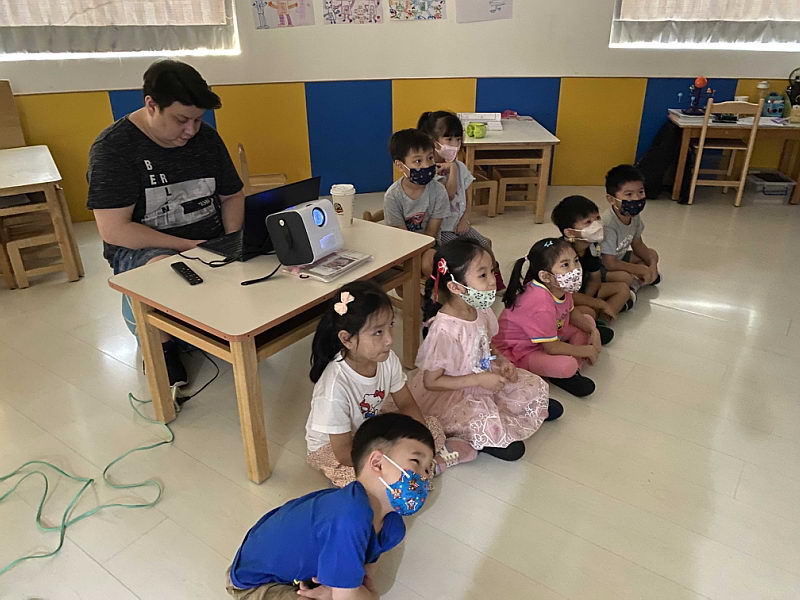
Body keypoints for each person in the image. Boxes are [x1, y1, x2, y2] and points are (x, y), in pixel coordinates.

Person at [87, 59, 245, 387]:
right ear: (151, 105)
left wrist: (233, 241)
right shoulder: (114, 149)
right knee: (166, 270)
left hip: (208, 237)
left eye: (198, 120)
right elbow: (115, 230)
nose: (191, 130)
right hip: (145, 247)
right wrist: (188, 246)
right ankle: (163, 345)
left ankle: (225, 321)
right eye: (181, 120)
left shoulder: (206, 139)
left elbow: (232, 196)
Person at [228, 413, 434, 599]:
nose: (424, 477)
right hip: (256, 583)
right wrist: (369, 596)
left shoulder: (392, 527)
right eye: (416, 461)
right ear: (377, 463)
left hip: (301, 570)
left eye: (427, 469)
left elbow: (367, 572)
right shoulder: (349, 516)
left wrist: (342, 589)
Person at [306, 280, 475, 487]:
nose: (389, 339)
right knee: (364, 480)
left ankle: (422, 466)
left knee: (430, 426)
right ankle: (426, 466)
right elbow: (343, 453)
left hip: (370, 428)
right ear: (347, 339)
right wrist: (392, 458)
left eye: (391, 325)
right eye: (378, 332)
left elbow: (406, 403)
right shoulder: (334, 388)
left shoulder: (386, 359)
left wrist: (420, 439)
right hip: (334, 449)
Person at [408, 239, 559, 463]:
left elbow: (486, 344)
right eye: (483, 275)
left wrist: (503, 361)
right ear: (456, 287)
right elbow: (431, 382)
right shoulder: (445, 330)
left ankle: (499, 424)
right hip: (454, 393)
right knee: (513, 450)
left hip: (485, 376)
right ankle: (466, 439)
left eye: (492, 272)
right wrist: (478, 380)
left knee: (539, 397)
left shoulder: (479, 308)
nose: (492, 281)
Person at [494, 238, 600, 398]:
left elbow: (571, 312)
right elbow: (552, 347)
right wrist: (586, 350)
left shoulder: (559, 285)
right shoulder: (540, 302)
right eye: (565, 265)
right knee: (567, 365)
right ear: (545, 276)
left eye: (576, 261)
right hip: (521, 352)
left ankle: (567, 369)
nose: (575, 269)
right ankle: (566, 370)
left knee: (588, 321)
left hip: (549, 335)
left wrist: (593, 331)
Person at [416, 110, 505, 290]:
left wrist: (465, 218)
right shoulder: (430, 172)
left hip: (460, 224)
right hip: (443, 230)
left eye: (458, 139)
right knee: (465, 256)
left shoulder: (460, 166)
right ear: (433, 141)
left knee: (484, 244)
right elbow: (447, 196)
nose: (454, 145)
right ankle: (466, 287)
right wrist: (452, 170)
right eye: (448, 139)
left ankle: (494, 281)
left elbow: (467, 195)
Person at [550, 195, 634, 340]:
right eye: (588, 222)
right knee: (587, 311)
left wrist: (590, 299)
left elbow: (595, 279)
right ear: (569, 232)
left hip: (581, 292)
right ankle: (592, 322)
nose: (596, 225)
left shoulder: (592, 246)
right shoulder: (562, 255)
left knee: (622, 288)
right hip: (560, 300)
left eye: (597, 218)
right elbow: (567, 295)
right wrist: (598, 303)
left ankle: (602, 323)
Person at [384, 128, 450, 278]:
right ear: (400, 166)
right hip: (402, 245)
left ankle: (434, 290)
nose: (426, 166)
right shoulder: (392, 196)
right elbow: (401, 236)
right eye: (418, 161)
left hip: (429, 243)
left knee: (428, 264)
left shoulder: (439, 191)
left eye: (430, 158)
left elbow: (431, 234)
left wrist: (420, 256)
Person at [601, 164, 661, 291]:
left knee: (652, 254)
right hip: (603, 265)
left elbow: (637, 244)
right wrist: (640, 269)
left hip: (620, 257)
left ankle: (640, 279)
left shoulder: (633, 216)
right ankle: (633, 285)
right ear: (611, 199)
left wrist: (652, 267)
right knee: (624, 277)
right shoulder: (608, 224)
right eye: (629, 194)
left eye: (641, 192)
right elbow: (609, 263)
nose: (637, 198)